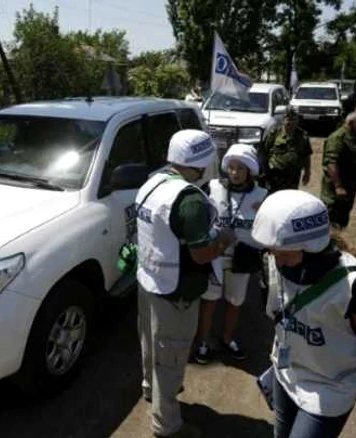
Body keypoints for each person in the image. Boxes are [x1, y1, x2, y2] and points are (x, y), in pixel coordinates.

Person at [253, 190, 356, 438]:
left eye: (284, 254)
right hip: (287, 374)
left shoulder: (351, 284)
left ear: (311, 248)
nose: (277, 261)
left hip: (330, 388)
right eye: (272, 252)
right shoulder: (274, 260)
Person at [136, 129, 236, 438]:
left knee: (152, 345)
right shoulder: (189, 200)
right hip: (176, 293)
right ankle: (167, 426)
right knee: (172, 358)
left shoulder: (153, 183)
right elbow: (203, 255)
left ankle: (150, 391)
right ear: (204, 162)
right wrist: (223, 241)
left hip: (149, 282)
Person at [195, 144, 268, 364]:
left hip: (243, 257)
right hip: (214, 254)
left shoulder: (262, 194)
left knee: (235, 301)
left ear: (250, 170)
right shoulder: (212, 187)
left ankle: (227, 337)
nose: (235, 173)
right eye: (232, 168)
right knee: (210, 300)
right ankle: (203, 341)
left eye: (241, 169)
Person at [320, 111, 356, 230]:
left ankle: (338, 239)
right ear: (351, 123)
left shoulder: (354, 137)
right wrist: (338, 186)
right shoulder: (338, 138)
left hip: (349, 187)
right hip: (336, 190)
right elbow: (331, 163)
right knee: (330, 217)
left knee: (342, 218)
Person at [260, 107, 312, 192]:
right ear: (283, 120)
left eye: (294, 120)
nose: (291, 123)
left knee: (290, 198)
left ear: (297, 121)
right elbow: (264, 152)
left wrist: (307, 172)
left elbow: (307, 155)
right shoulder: (274, 133)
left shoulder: (302, 136)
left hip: (293, 176)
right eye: (289, 120)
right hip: (275, 175)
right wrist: (264, 171)